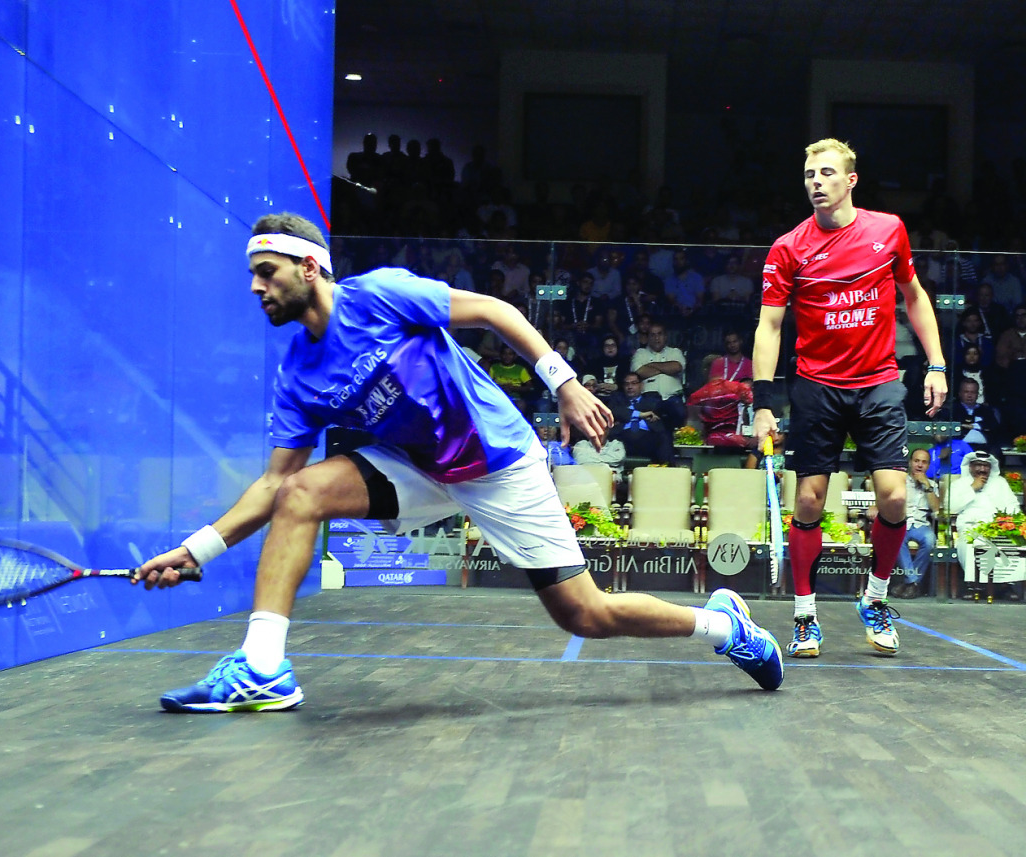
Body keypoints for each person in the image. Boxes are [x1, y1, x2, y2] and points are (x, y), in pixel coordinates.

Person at [135, 212, 784, 712]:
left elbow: (493, 311)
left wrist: (563, 382)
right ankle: (262, 666)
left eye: (266, 271)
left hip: (499, 462)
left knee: (586, 614)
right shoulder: (297, 375)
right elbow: (274, 482)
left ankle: (721, 625)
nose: (256, 287)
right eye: (253, 275)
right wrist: (198, 549)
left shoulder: (380, 297)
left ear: (309, 267)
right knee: (301, 492)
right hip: (418, 467)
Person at [750, 138, 948, 659]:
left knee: (896, 497)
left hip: (879, 381)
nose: (816, 181)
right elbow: (770, 327)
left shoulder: (888, 231)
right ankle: (805, 616)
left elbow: (915, 296)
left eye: (827, 173)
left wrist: (937, 363)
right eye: (809, 174)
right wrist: (764, 403)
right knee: (810, 502)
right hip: (816, 387)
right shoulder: (789, 247)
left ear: (850, 180)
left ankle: (875, 599)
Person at [870, 448, 938, 600]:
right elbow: (885, 500)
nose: (919, 465)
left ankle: (909, 583)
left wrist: (926, 485)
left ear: (928, 466)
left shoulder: (932, 484)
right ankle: (913, 583)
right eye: (916, 461)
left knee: (929, 541)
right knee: (897, 538)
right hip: (902, 522)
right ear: (910, 463)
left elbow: (936, 509)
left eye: (924, 462)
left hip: (921, 525)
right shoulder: (899, 482)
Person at [949, 450, 1020, 590]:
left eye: (985, 466)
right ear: (970, 467)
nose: (982, 469)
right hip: (970, 528)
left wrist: (1009, 521)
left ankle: (1007, 584)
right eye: (977, 465)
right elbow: (951, 508)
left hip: (997, 528)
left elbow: (1013, 506)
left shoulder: (1000, 483)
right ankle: (973, 584)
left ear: (991, 468)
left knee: (1013, 540)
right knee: (971, 544)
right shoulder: (960, 484)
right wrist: (973, 488)